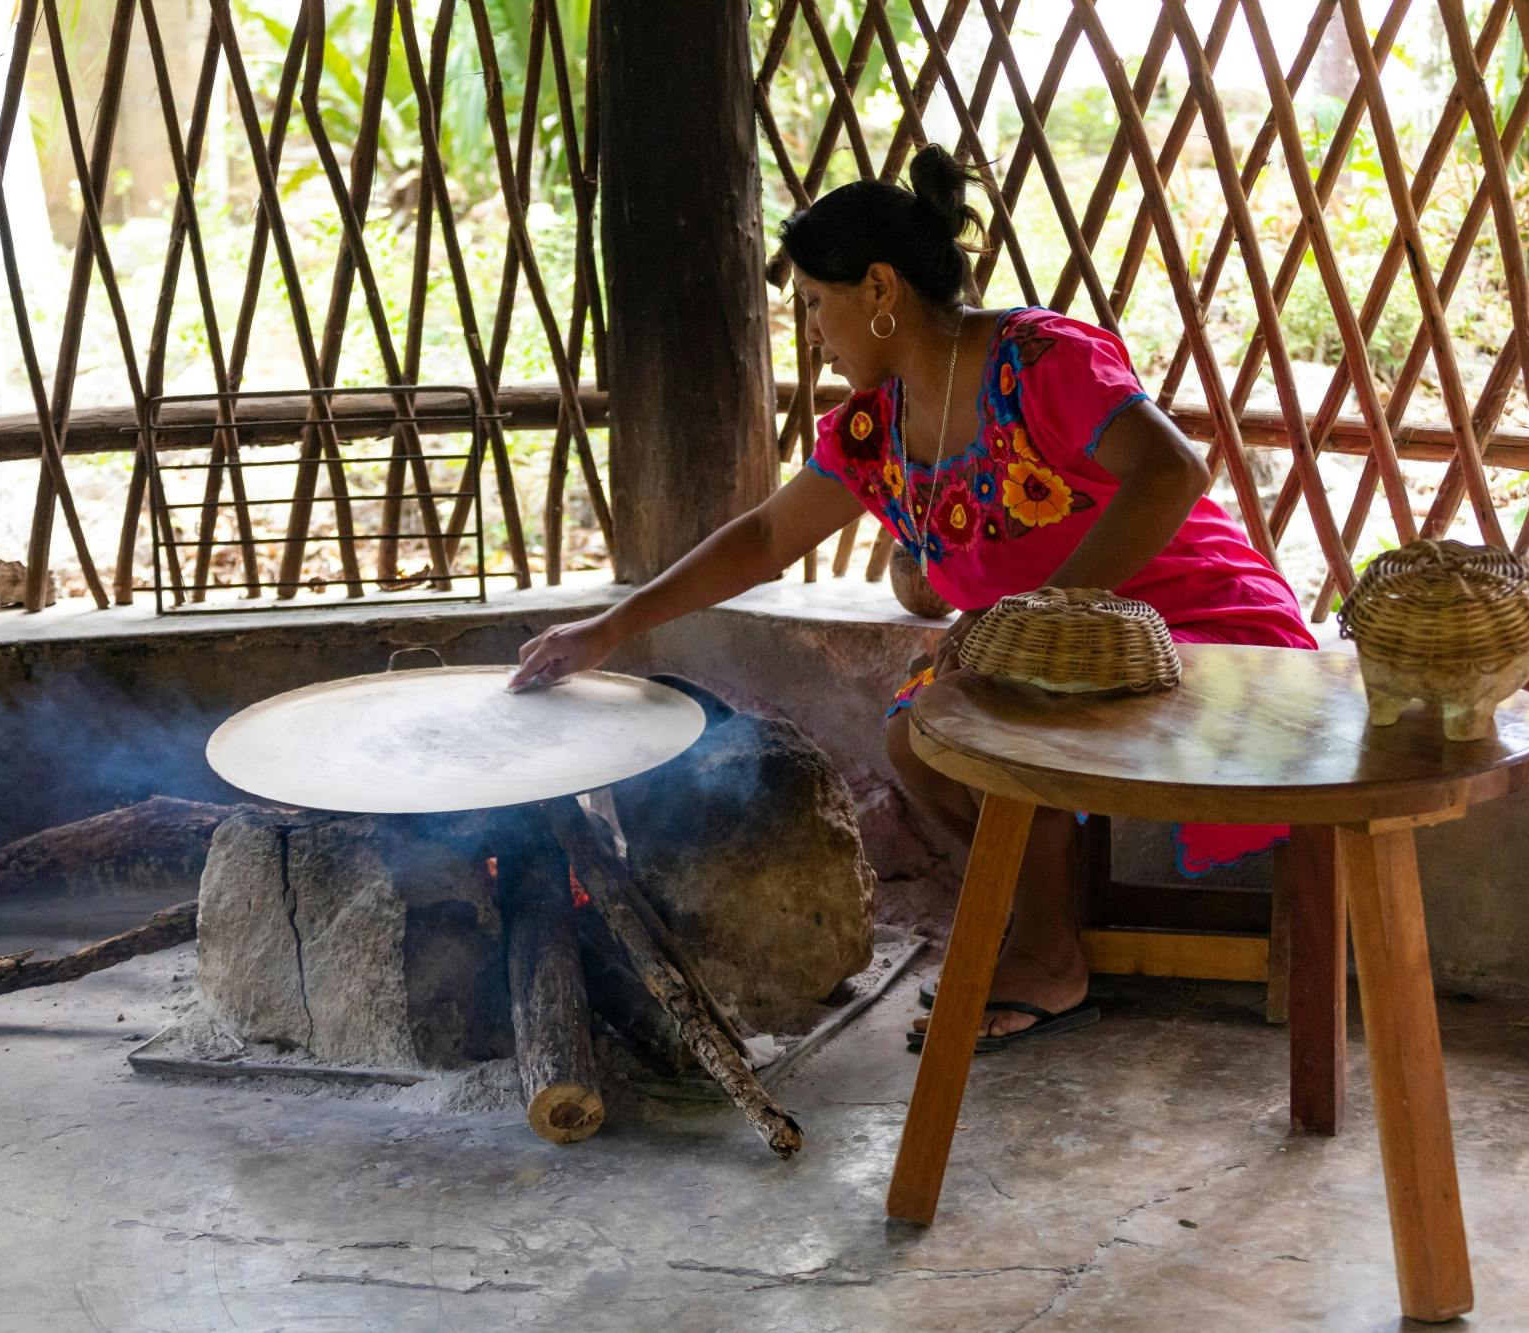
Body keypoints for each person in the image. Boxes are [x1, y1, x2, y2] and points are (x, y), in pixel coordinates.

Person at [510, 145, 1316, 1049]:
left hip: (1204, 625)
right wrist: (613, 626)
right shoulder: (876, 426)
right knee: (920, 734)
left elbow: (1172, 469)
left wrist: (1028, 623)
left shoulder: (1039, 361)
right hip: (1047, 656)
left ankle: (1044, 953)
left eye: (818, 303)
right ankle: (1048, 937)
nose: (813, 331)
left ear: (881, 289)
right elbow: (769, 537)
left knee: (1000, 717)